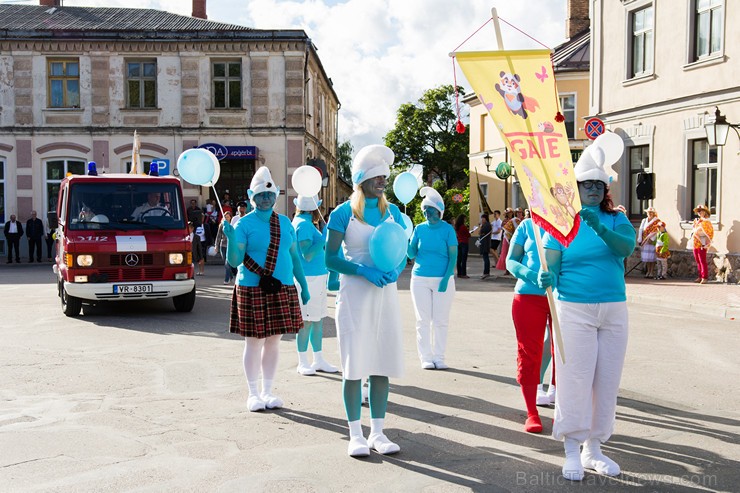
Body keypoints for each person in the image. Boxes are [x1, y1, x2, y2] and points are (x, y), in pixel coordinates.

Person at [542, 145, 636, 481]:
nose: (593, 190)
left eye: (598, 185)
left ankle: (594, 448)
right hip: (574, 309)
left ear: (605, 190)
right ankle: (571, 448)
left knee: (607, 381)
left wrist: (599, 226)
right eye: (587, 185)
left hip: (613, 309)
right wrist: (546, 277)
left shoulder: (617, 218)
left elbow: (625, 248)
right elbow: (552, 266)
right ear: (576, 189)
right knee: (574, 379)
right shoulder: (561, 223)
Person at [325, 144, 407, 457]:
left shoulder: (394, 212)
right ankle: (355, 434)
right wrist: (362, 271)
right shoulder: (343, 213)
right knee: (354, 364)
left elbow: (401, 250)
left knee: (381, 363)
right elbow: (330, 258)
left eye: (385, 175)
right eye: (377, 176)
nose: (383, 180)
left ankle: (378, 433)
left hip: (385, 296)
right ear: (362, 179)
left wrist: (395, 271)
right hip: (355, 295)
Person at [222, 166, 310, 412]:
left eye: (270, 195)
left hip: (283, 287)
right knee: (254, 342)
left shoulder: (285, 223)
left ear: (277, 194)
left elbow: (294, 258)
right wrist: (230, 238)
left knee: (274, 341)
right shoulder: (243, 225)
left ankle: (268, 391)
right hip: (251, 288)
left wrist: (303, 285)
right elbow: (235, 261)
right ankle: (252, 393)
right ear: (252, 196)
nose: (266, 199)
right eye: (261, 195)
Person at [506, 217, 554, 433]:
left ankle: (562, 404)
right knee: (529, 353)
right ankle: (531, 411)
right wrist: (531, 275)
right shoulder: (527, 225)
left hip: (563, 297)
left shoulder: (569, 222)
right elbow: (511, 260)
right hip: (527, 297)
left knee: (564, 351)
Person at [407, 187, 457, 370]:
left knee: (441, 320)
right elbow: (412, 253)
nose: (426, 213)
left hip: (443, 279)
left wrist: (446, 278)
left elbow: (453, 257)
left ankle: (439, 356)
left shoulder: (448, 230)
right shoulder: (419, 229)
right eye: (424, 210)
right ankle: (425, 357)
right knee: (422, 320)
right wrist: (405, 240)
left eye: (429, 209)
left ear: (438, 211)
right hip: (419, 279)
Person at [292, 194, 338, 376]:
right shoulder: (303, 224)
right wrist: (324, 239)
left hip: (316, 277)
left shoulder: (305, 222)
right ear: (314, 208)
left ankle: (318, 359)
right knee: (306, 321)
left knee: (317, 320)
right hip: (308, 279)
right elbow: (307, 254)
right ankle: (303, 361)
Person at [691, 204, 714, 284]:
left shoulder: (706, 222)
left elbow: (709, 232)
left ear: (705, 212)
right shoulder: (697, 221)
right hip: (696, 242)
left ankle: (704, 277)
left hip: (702, 243)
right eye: (699, 211)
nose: (700, 212)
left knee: (702, 260)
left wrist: (706, 242)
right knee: (698, 260)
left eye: (701, 211)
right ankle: (700, 276)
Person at [637, 207, 659, 279]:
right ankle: (648, 271)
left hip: (651, 241)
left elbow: (657, 231)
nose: (650, 213)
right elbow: (641, 229)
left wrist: (652, 239)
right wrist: (640, 239)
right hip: (645, 240)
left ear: (654, 213)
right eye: (649, 212)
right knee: (647, 257)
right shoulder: (644, 220)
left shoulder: (657, 221)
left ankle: (651, 272)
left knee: (652, 257)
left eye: (651, 212)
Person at [214, 210, 235, 284]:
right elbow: (218, 236)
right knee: (225, 262)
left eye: (228, 217)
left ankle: (227, 279)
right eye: (225, 217)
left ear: (230, 217)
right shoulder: (222, 225)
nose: (226, 218)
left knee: (228, 262)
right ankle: (231, 276)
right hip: (223, 245)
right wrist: (216, 245)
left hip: (230, 245)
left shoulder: (232, 225)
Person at [454, 214, 471, 279]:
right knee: (464, 259)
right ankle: (464, 273)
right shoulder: (463, 227)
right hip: (464, 243)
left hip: (459, 242)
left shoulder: (457, 226)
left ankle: (459, 273)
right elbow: (468, 235)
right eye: (465, 219)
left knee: (459, 259)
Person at [478, 213, 492, 279]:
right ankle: (486, 272)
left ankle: (486, 272)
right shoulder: (486, 225)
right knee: (485, 258)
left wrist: (481, 227)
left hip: (485, 243)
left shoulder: (487, 225)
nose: (482, 220)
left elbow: (481, 231)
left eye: (483, 218)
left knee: (486, 258)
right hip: (484, 243)